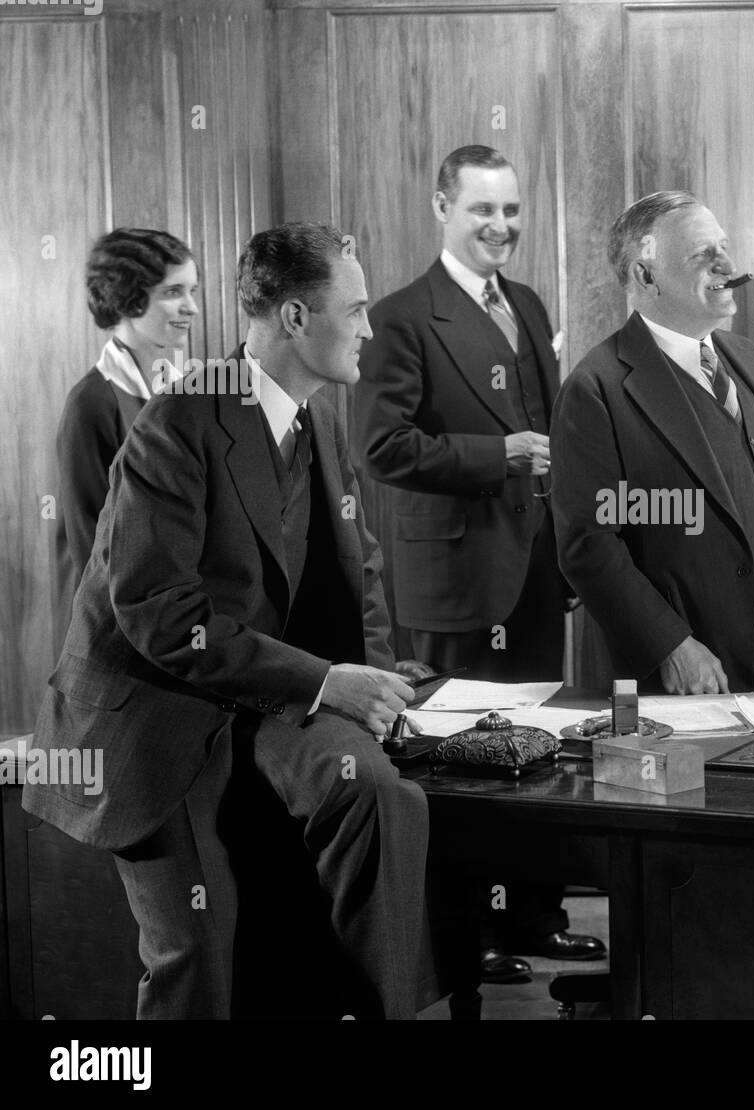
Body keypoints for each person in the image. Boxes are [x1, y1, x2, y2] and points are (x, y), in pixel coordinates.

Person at [24, 222, 430, 1018]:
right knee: (199, 959)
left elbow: (359, 573)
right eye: (357, 309)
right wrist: (326, 681)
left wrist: (376, 686)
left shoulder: (318, 417)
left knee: (386, 797)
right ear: (294, 319)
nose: (371, 329)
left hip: (250, 706)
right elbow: (161, 614)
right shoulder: (179, 420)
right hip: (151, 721)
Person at [356, 145, 603, 980]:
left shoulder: (527, 305)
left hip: (533, 575)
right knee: (457, 764)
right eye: (482, 211)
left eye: (511, 210)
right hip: (453, 582)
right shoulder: (398, 316)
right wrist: (496, 453)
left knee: (537, 752)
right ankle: (468, 937)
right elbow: (380, 446)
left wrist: (568, 558)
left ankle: (534, 917)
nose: (501, 226)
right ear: (441, 209)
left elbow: (557, 440)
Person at [552, 190, 754, 697]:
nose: (728, 264)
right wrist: (671, 645)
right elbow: (589, 546)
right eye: (705, 254)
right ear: (646, 275)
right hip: (688, 667)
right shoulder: (595, 388)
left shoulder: (747, 356)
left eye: (724, 247)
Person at [56, 228, 198, 630]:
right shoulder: (91, 403)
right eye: (173, 292)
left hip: (179, 612)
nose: (192, 307)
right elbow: (90, 548)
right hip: (121, 625)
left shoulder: (187, 392)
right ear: (128, 298)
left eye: (193, 291)